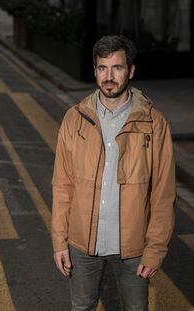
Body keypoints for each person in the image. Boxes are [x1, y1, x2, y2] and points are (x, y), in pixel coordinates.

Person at [52, 35, 175, 310]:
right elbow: (62, 186)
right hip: (83, 245)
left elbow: (163, 193)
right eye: (102, 68)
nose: (109, 77)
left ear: (130, 71)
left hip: (133, 247)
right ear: (95, 70)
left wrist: (155, 249)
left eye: (117, 68)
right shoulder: (75, 119)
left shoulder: (154, 123)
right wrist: (59, 240)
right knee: (81, 307)